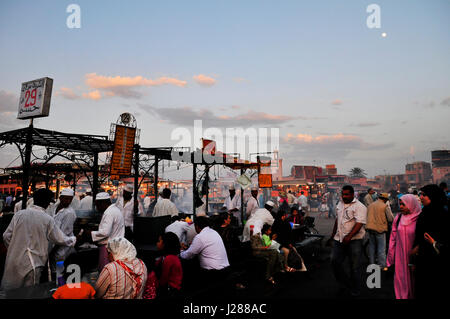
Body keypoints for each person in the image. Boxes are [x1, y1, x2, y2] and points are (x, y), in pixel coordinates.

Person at [1, 188, 76, 291]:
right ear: (46, 202)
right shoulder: (46, 219)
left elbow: (6, 236)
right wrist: (74, 239)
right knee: (28, 292)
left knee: (10, 290)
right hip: (33, 263)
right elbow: (60, 239)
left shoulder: (19, 215)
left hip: (14, 260)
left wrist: (15, 249)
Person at [410, 184, 449, 299]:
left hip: (438, 262)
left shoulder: (443, 215)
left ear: (433, 196)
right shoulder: (423, 214)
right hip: (423, 259)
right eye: (421, 194)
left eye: (424, 195)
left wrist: (434, 242)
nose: (421, 197)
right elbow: (419, 235)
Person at [330, 185, 367, 297]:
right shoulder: (340, 204)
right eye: (343, 194)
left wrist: (349, 236)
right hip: (339, 239)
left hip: (354, 240)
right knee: (334, 261)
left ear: (352, 194)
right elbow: (338, 219)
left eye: (347, 194)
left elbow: (360, 223)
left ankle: (355, 289)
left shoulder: (360, 206)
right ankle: (344, 284)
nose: (344, 197)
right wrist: (333, 235)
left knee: (354, 266)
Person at [180, 216, 230, 290]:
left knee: (189, 269)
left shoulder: (200, 237)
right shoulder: (214, 232)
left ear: (197, 226)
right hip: (225, 270)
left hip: (212, 274)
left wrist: (180, 251)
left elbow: (187, 256)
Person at [386, 194, 421, 299]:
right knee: (401, 280)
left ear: (411, 204)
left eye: (403, 205)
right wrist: (390, 258)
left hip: (414, 257)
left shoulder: (420, 218)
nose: (400, 207)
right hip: (400, 257)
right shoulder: (398, 218)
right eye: (400, 204)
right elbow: (392, 238)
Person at [83, 192, 125, 272]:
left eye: (97, 205)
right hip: (116, 246)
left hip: (108, 248)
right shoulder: (115, 210)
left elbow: (105, 232)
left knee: (106, 272)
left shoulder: (109, 212)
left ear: (103, 203)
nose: (96, 208)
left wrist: (90, 233)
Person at [365, 192, 394, 270]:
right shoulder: (385, 206)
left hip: (370, 228)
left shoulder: (370, 205)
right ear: (384, 199)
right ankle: (382, 265)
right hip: (380, 229)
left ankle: (371, 263)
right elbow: (390, 219)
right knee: (381, 248)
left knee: (372, 247)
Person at [150, 232, 183, 298]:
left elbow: (164, 279)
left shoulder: (169, 259)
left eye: (159, 241)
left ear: (165, 244)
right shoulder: (169, 256)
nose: (157, 243)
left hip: (171, 289)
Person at [50, 188, 78, 266]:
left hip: (62, 247)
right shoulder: (54, 207)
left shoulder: (69, 213)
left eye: (70, 199)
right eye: (66, 198)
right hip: (54, 244)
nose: (68, 201)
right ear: (60, 198)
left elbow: (63, 235)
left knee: (59, 271)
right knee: (54, 271)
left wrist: (52, 250)